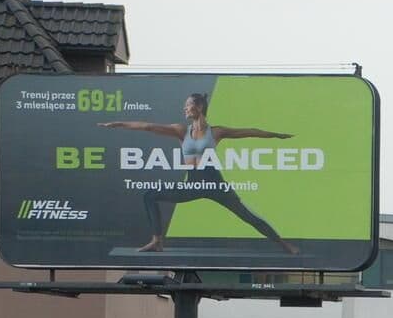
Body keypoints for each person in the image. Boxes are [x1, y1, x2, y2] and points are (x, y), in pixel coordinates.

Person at [99, 92, 299, 254]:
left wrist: (276, 135)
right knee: (149, 195)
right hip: (193, 184)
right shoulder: (181, 131)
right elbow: (148, 127)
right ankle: (157, 241)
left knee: (247, 215)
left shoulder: (216, 132)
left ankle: (284, 245)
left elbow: (249, 131)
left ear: (199, 107)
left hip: (214, 183)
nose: (184, 108)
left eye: (188, 105)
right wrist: (118, 124)